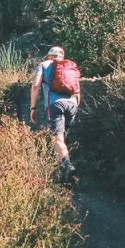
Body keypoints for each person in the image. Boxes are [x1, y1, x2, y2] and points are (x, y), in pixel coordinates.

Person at [30, 46, 80, 178]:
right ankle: (61, 173)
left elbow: (36, 86)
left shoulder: (43, 65)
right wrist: (75, 107)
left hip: (54, 105)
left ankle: (67, 165)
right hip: (72, 105)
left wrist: (33, 108)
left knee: (57, 138)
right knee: (61, 138)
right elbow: (77, 91)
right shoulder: (70, 65)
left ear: (49, 56)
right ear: (62, 56)